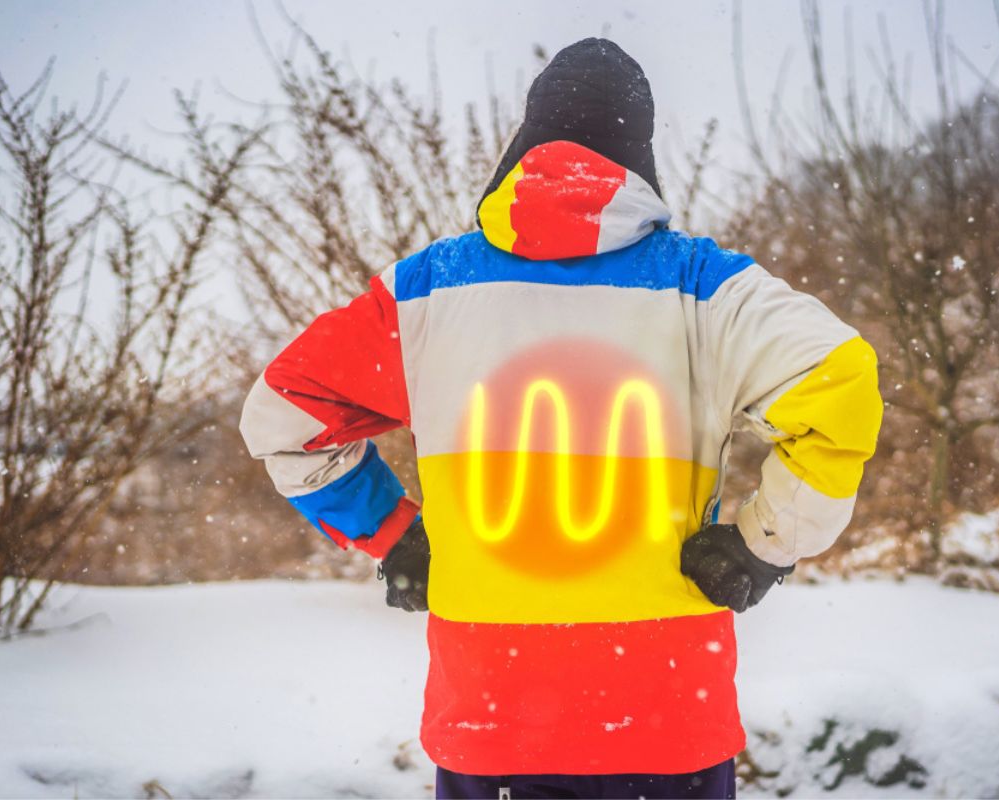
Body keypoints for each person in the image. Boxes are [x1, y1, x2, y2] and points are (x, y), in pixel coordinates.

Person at [240, 37, 883, 800]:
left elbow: (283, 415)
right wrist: (761, 546)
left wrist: (391, 531)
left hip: (492, 724)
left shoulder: (425, 294)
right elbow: (841, 382)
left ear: (523, 145)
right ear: (640, 156)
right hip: (667, 721)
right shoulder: (705, 288)